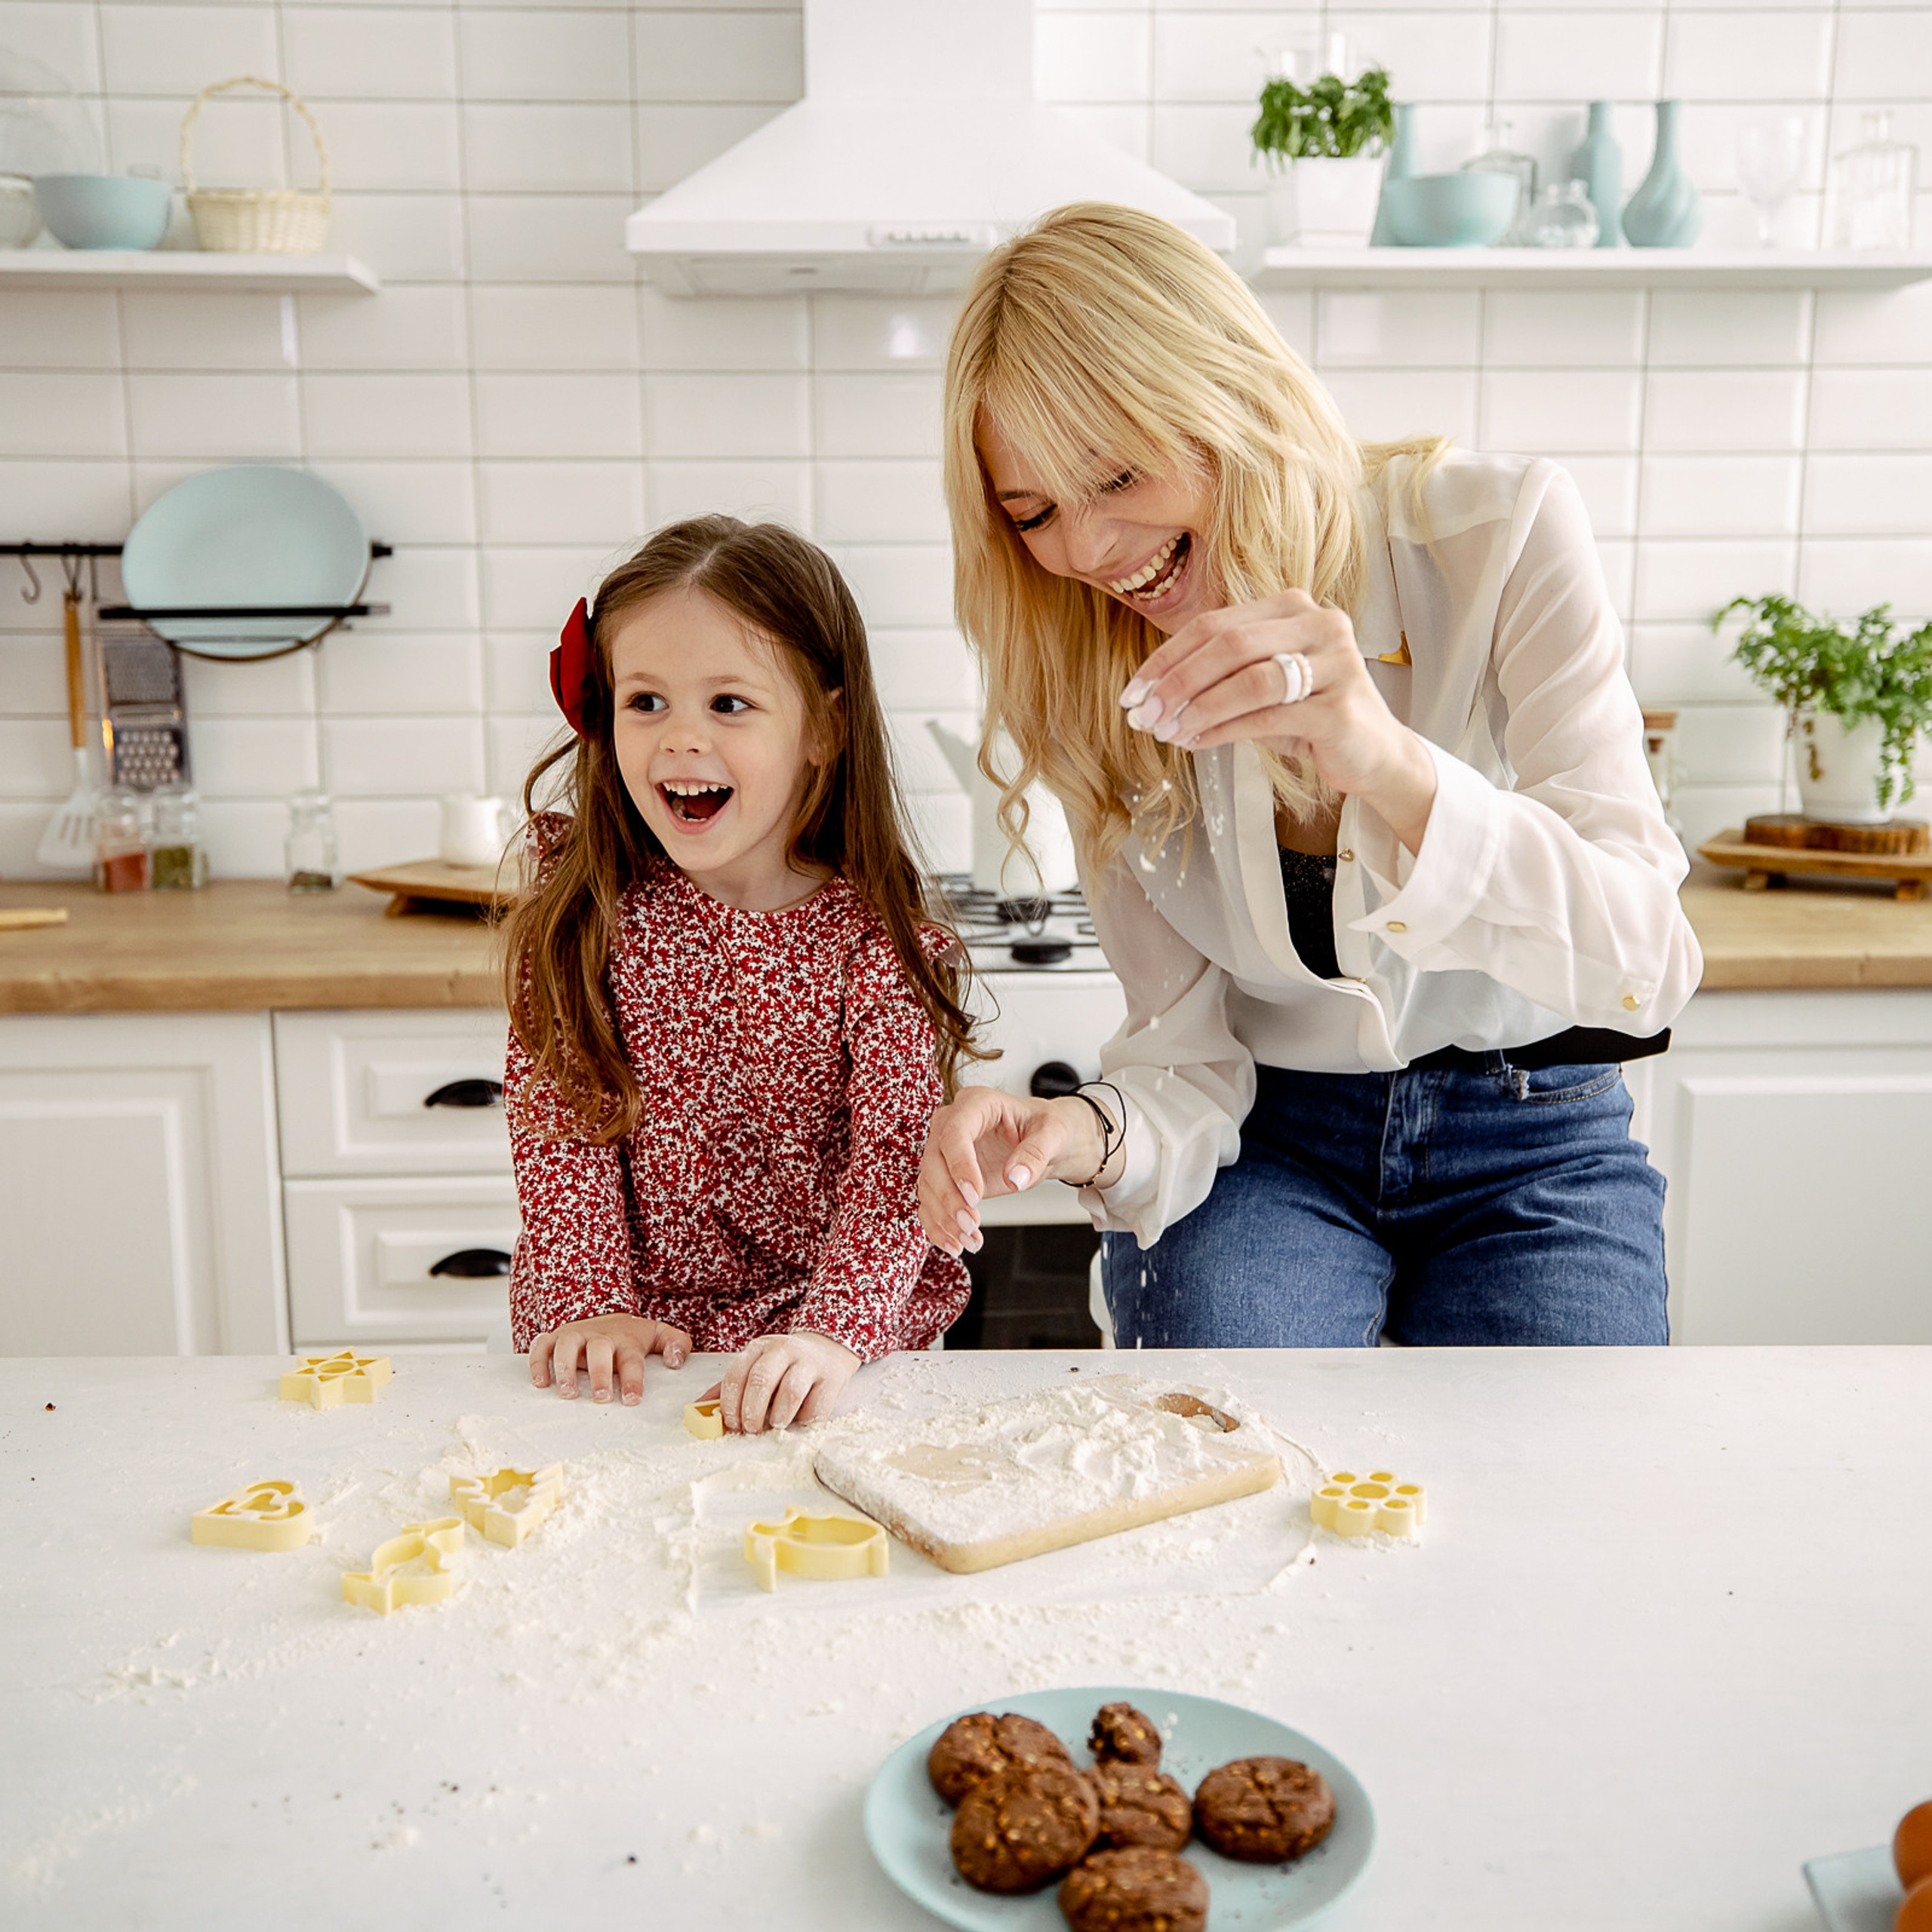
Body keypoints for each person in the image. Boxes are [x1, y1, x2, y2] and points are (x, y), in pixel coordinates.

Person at [917, 203, 1703, 1348]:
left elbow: (1647, 963)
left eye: (1117, 475)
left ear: (1222, 395)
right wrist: (1079, 1132)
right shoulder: (1084, 660)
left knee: (1564, 1446)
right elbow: (1185, 1060)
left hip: (1537, 1130)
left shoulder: (1496, 534)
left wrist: (1387, 766)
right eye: (1033, 512)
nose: (1086, 551)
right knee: (1235, 1427)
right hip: (1268, 1141)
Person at [503, 516, 973, 1430]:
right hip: (634, 1348)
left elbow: (893, 1163)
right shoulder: (583, 921)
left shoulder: (876, 946)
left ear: (823, 728)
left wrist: (832, 1333)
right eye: (646, 701)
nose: (681, 738)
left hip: (832, 1351)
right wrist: (592, 1303)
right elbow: (561, 1134)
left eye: (728, 703)